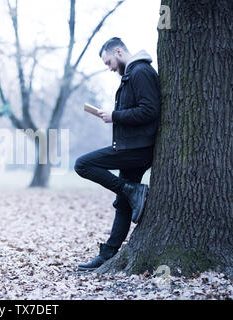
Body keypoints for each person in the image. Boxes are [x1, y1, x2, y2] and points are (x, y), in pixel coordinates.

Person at [74, 37, 161, 271]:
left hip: (137, 149)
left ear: (119, 51)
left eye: (109, 61)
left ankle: (132, 189)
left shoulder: (140, 72)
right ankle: (108, 254)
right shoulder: (131, 74)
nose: (109, 67)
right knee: (123, 204)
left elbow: (149, 110)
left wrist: (115, 115)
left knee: (82, 164)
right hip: (132, 146)